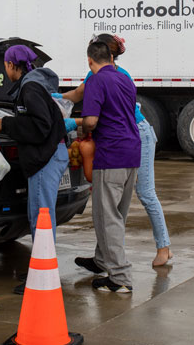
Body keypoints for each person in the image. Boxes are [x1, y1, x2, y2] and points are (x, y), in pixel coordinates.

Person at [58, 34, 172, 266]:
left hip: (136, 132)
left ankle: (163, 248)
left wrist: (76, 123)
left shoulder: (116, 76)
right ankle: (103, 259)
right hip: (126, 134)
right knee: (111, 206)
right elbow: (79, 94)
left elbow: (97, 117)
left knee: (144, 193)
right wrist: (56, 98)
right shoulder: (99, 74)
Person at [0, 45, 69, 294]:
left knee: (42, 220)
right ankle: (41, 269)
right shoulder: (34, 84)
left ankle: (42, 278)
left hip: (46, 158)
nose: (5, 69)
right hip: (51, 155)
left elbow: (41, 125)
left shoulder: (30, 87)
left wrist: (9, 123)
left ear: (13, 66)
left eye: (5, 64)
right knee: (42, 217)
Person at [74, 41, 141, 293]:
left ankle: (121, 277)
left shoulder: (95, 80)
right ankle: (102, 260)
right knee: (117, 214)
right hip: (131, 151)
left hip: (111, 153)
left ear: (90, 61)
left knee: (106, 216)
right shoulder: (125, 79)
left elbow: (91, 121)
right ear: (111, 59)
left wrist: (77, 125)